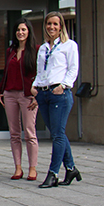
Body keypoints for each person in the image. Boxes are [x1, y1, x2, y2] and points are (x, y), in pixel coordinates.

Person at [33, 11, 81, 188]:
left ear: (61, 26)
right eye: (48, 24)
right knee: (57, 132)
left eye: (55, 24)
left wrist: (64, 85)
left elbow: (73, 69)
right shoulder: (44, 48)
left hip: (60, 93)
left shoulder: (69, 45)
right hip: (44, 94)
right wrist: (35, 85)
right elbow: (41, 72)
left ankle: (53, 174)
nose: (51, 27)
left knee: (58, 134)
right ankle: (71, 168)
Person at [0, 18, 39, 181]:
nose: (20, 33)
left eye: (23, 29)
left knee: (30, 132)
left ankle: (33, 168)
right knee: (14, 133)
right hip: (10, 94)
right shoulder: (10, 51)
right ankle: (18, 168)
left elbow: (41, 74)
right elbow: (6, 72)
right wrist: (0, 92)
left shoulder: (36, 50)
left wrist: (38, 95)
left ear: (29, 31)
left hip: (28, 96)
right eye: (18, 30)